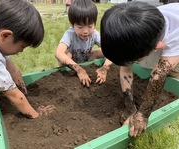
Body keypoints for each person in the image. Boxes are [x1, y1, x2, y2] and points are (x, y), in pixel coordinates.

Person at [100, 1, 179, 137]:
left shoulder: (174, 34)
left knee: (172, 69)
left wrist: (142, 115)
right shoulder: (137, 29)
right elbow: (126, 68)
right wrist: (130, 107)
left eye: (134, 60)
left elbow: (159, 74)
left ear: (157, 47)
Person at [0, 0, 56, 119]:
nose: (21, 51)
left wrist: (25, 95)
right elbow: (14, 96)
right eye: (22, 46)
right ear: (5, 35)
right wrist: (37, 116)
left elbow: (13, 70)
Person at [55, 0, 112, 87]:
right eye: (80, 27)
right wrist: (79, 70)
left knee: (101, 51)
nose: (85, 31)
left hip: (87, 61)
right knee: (67, 54)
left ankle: (88, 66)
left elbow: (112, 49)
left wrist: (104, 68)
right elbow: (58, 53)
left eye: (90, 26)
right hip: (71, 66)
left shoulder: (94, 34)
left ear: (95, 24)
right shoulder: (69, 34)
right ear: (72, 25)